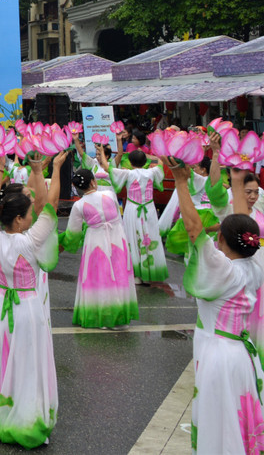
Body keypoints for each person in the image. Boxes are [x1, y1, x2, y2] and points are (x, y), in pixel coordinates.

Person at [169, 156, 264, 454]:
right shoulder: (255, 265)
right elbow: (240, 222)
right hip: (242, 356)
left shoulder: (223, 271)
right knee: (237, 418)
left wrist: (181, 182)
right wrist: (236, 181)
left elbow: (194, 230)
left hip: (219, 357)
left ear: (220, 237)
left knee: (220, 423)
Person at [0, 150, 66, 448]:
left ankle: (0, 413)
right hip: (26, 306)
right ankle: (27, 422)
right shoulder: (30, 242)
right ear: (18, 219)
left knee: (3, 358)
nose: (33, 216)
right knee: (29, 363)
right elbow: (51, 205)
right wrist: (49, 169)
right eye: (28, 214)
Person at [62, 168, 138, 328]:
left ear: (77, 187)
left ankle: (100, 315)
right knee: (118, 274)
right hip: (117, 237)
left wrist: (62, 244)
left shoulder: (78, 205)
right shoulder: (110, 194)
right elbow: (117, 216)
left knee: (99, 277)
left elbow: (73, 233)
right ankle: (119, 315)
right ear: (93, 181)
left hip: (95, 240)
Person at [98, 139, 166, 284]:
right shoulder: (152, 172)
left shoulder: (127, 174)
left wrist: (102, 153)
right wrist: (160, 149)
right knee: (150, 236)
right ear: (145, 162)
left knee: (133, 238)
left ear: (130, 162)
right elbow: (161, 164)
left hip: (133, 209)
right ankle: (148, 274)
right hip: (149, 209)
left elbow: (107, 168)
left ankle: (136, 274)